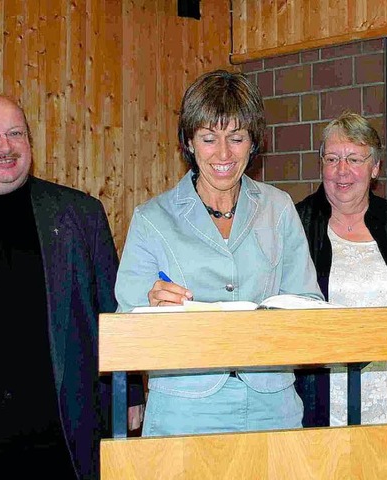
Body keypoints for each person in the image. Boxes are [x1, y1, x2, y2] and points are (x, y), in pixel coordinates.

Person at [115, 69, 324, 436]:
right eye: (209, 138)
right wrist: (149, 309)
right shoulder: (152, 219)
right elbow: (124, 328)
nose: (224, 154)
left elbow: (308, 301)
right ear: (190, 143)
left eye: (237, 138)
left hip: (273, 405)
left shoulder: (279, 208)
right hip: (184, 409)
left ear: (253, 142)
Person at [0, 93, 121, 479]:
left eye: (15, 133)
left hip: (60, 442)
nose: (5, 146)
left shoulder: (81, 215)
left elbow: (112, 316)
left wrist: (127, 396)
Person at [295, 111, 387, 470]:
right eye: (332, 159)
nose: (342, 171)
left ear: (375, 168)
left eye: (354, 159)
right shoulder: (295, 225)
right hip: (319, 398)